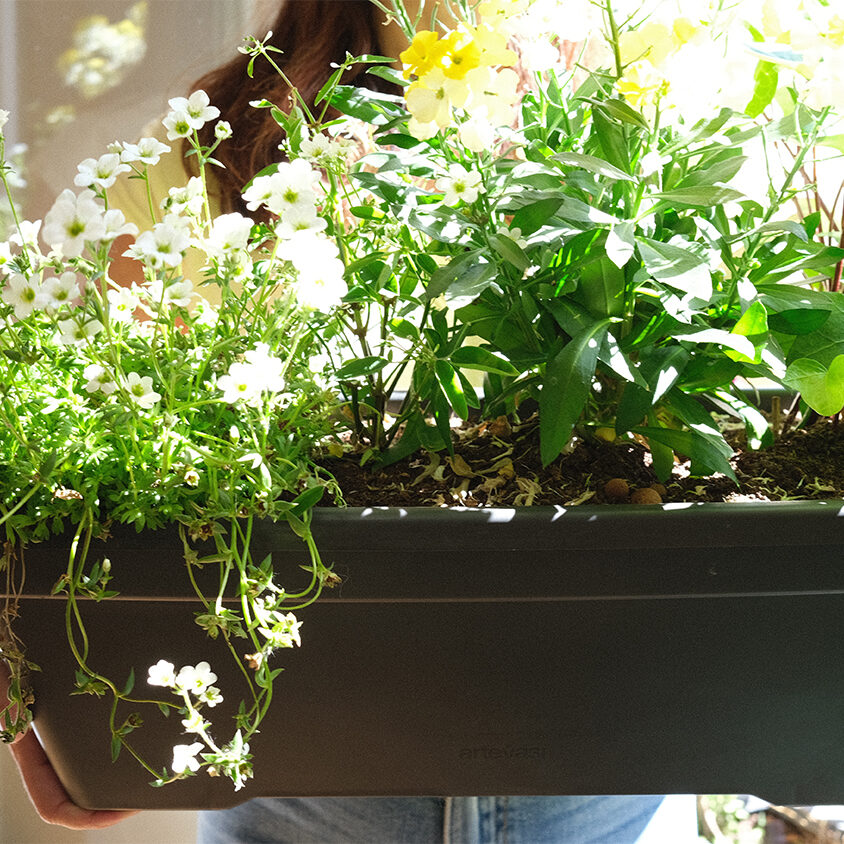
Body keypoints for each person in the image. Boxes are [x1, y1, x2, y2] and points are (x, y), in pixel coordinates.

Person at [3, 1, 699, 840]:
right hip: (296, 786)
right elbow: (66, 428)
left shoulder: (641, 110)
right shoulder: (208, 149)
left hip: (608, 771)